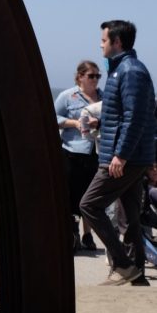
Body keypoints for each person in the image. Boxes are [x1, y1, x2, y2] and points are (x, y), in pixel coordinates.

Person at [80, 20, 156, 285]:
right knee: (130, 218)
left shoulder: (131, 71)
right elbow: (123, 115)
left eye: (103, 40)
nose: (100, 44)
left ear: (117, 42)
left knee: (89, 205)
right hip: (130, 156)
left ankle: (123, 264)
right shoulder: (120, 70)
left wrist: (121, 155)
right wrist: (99, 124)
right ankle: (137, 277)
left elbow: (136, 118)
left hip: (124, 158)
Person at [54, 60, 103, 252]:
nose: (95, 80)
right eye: (91, 76)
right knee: (70, 194)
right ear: (80, 76)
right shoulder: (68, 96)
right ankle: (71, 231)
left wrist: (98, 123)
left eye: (98, 76)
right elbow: (52, 117)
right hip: (72, 152)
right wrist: (74, 123)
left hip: (96, 152)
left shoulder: (104, 97)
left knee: (89, 195)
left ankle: (87, 234)